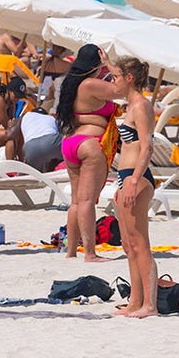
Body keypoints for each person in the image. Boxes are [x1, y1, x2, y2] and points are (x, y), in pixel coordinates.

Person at [56, 44, 126, 262]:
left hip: (70, 143)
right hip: (89, 144)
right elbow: (122, 90)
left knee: (76, 201)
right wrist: (109, 65)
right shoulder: (90, 84)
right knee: (86, 201)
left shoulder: (71, 84)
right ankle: (89, 253)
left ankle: (70, 251)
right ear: (95, 65)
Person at [111, 57, 158, 317]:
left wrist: (134, 180)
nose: (112, 81)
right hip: (126, 176)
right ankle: (135, 301)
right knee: (128, 245)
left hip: (136, 177)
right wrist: (108, 62)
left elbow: (147, 146)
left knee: (140, 244)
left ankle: (149, 304)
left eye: (116, 76)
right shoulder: (130, 105)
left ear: (129, 78)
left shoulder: (141, 106)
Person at [19, 107, 62, 172]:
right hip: (51, 140)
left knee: (33, 175)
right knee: (70, 152)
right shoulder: (51, 118)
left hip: (30, 147)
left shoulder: (25, 117)